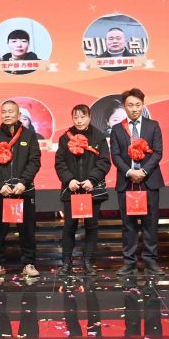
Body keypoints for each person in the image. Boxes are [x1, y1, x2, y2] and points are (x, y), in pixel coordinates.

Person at [109, 88, 165, 277]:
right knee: (128, 225)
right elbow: (115, 155)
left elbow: (158, 152)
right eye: (130, 105)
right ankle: (129, 262)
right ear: (124, 106)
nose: (134, 109)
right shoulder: (117, 129)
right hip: (127, 182)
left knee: (151, 223)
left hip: (149, 181)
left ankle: (151, 261)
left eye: (138, 105)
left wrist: (143, 171)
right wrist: (129, 171)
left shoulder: (153, 125)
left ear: (143, 105)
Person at [0, 100, 42, 278]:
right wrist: (0, 185)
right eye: (4, 112)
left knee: (27, 230)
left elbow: (34, 161)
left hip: (24, 190)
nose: (7, 114)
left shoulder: (29, 136)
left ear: (18, 115)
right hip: (1, 192)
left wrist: (23, 182)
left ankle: (29, 264)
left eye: (11, 111)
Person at [54, 104, 111, 276]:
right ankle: (66, 263)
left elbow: (104, 162)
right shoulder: (64, 138)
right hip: (71, 189)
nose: (79, 121)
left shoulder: (99, 137)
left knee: (91, 226)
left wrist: (92, 180)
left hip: (91, 188)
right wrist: (69, 179)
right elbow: (59, 162)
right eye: (76, 117)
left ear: (89, 117)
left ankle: (88, 262)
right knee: (69, 226)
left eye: (82, 117)